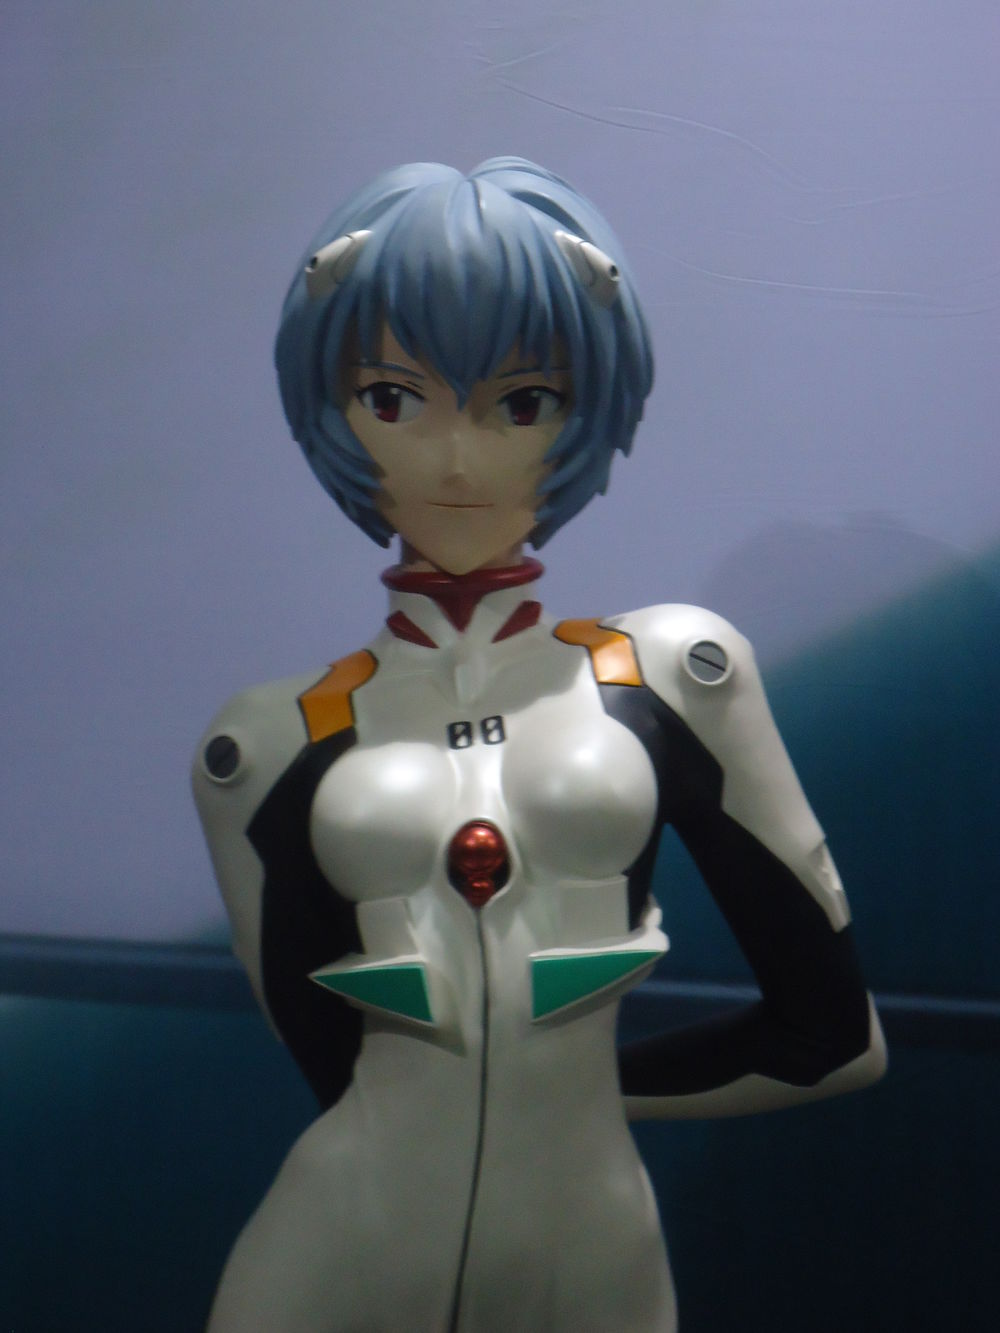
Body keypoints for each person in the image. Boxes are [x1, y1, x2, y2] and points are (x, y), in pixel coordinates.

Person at [192, 158, 886, 1333]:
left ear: (588, 405)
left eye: (522, 403)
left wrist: (564, 1097)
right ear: (331, 404)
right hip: (334, 1250)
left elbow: (830, 1037)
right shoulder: (258, 745)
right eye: (394, 398)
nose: (457, 459)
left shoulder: (674, 672)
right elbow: (327, 1067)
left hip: (587, 1249)